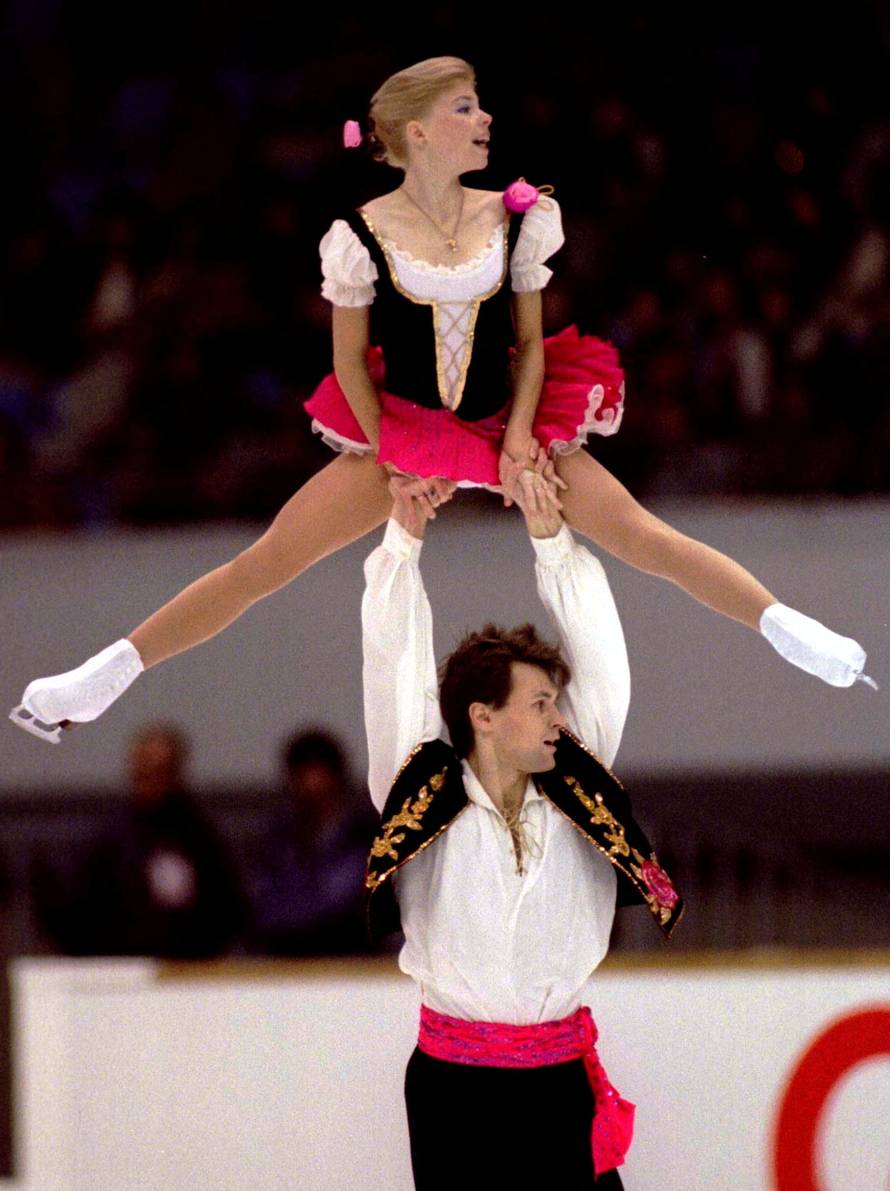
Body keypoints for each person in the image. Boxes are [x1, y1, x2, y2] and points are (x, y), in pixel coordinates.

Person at [11, 55, 871, 743]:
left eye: (482, 105)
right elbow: (351, 362)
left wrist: (521, 439)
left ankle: (791, 630)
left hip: (513, 417)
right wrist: (392, 450)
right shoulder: (357, 235)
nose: (486, 118)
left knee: (648, 537)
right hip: (406, 424)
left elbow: (530, 342)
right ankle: (104, 673)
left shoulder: (521, 214)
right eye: (466, 107)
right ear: (417, 132)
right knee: (264, 562)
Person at [363, 463, 679, 1188]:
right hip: (453, 1091)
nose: (557, 718)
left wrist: (553, 541)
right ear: (482, 715)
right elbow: (392, 667)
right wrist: (402, 546)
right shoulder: (419, 792)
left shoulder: (578, 789)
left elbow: (607, 667)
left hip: (557, 1081)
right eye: (538, 703)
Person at [31, 723, 245, 957]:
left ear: (175, 774)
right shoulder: (107, 839)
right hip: (121, 965)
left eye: (158, 772)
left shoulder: (200, 837)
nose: (148, 781)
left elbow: (224, 905)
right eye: (142, 772)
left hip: (188, 964)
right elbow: (82, 908)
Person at [249, 727, 376, 955]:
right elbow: (263, 905)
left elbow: (344, 904)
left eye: (319, 777)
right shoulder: (277, 841)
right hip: (282, 959)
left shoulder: (366, 838)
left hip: (353, 960)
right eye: (301, 778)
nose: (311, 788)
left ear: (337, 780)